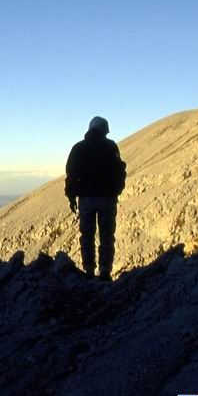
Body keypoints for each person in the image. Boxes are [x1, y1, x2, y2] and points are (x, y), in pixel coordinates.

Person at [65, 116, 126, 281]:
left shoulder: (78, 148)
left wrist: (71, 197)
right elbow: (120, 170)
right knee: (106, 236)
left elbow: (71, 175)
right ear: (104, 130)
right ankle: (105, 271)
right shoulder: (111, 146)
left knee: (87, 235)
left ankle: (89, 270)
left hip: (86, 199)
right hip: (107, 198)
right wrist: (117, 190)